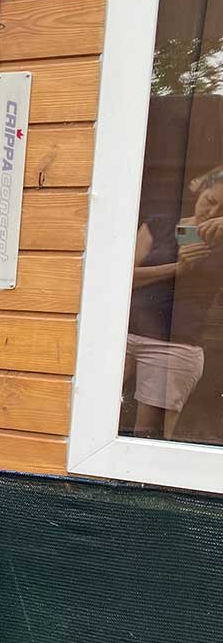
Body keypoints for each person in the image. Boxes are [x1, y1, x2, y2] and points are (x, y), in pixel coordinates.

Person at [124, 167, 223, 439]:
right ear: (201, 190)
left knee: (148, 435)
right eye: (210, 200)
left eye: (222, 210)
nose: (212, 213)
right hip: (124, 334)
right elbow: (123, 277)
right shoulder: (162, 224)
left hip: (173, 344)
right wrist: (176, 269)